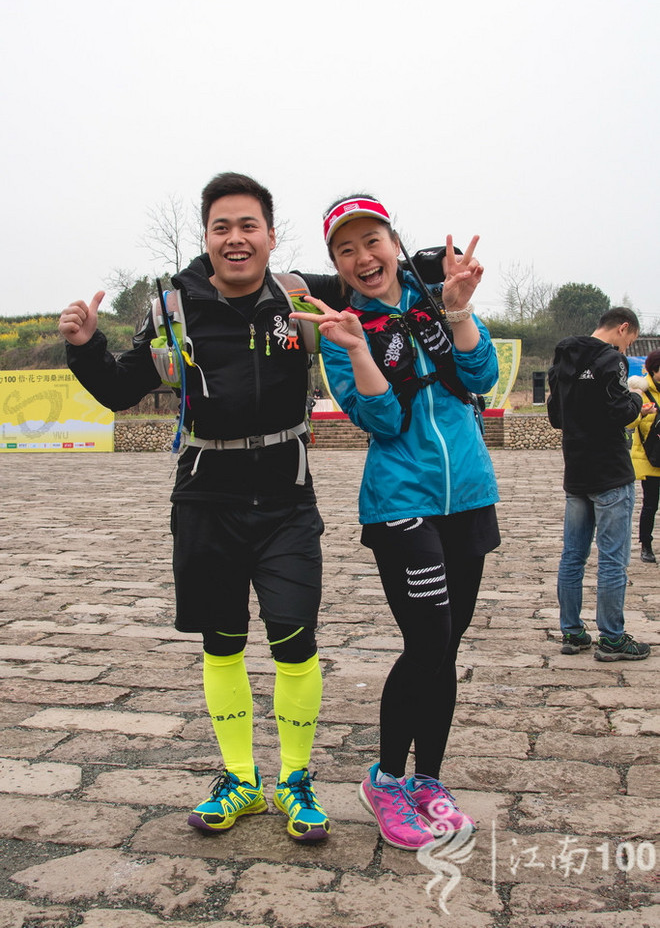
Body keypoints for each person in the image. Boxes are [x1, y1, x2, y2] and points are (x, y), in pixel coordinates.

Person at [58, 172, 331, 842]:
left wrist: (444, 289)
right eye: (221, 228)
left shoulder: (301, 298)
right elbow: (122, 390)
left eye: (248, 226)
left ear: (270, 234)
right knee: (224, 642)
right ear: (207, 238)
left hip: (287, 498)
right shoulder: (175, 310)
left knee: (295, 639)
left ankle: (294, 783)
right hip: (207, 498)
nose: (235, 239)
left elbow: (382, 292)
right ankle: (241, 780)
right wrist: (84, 346)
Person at [291, 194, 500, 851]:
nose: (362, 257)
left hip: (468, 492)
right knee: (429, 636)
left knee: (448, 646)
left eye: (371, 241)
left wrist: (460, 312)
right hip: (400, 501)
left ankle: (427, 781)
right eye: (344, 250)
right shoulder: (341, 326)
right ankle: (385, 780)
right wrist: (356, 351)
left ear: (393, 241)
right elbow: (382, 422)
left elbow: (481, 376)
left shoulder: (436, 299)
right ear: (337, 263)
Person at [547, 307, 654, 661]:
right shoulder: (613, 361)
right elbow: (619, 411)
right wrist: (638, 401)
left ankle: (572, 632)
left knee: (572, 556)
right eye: (630, 340)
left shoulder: (563, 357)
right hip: (610, 471)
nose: (627, 348)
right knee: (612, 560)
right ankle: (612, 637)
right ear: (623, 328)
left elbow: (556, 416)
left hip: (576, 471)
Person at [628, 349, 660, 563]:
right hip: (649, 458)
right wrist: (641, 412)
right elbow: (628, 423)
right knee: (650, 503)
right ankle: (646, 545)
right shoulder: (640, 390)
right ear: (654, 370)